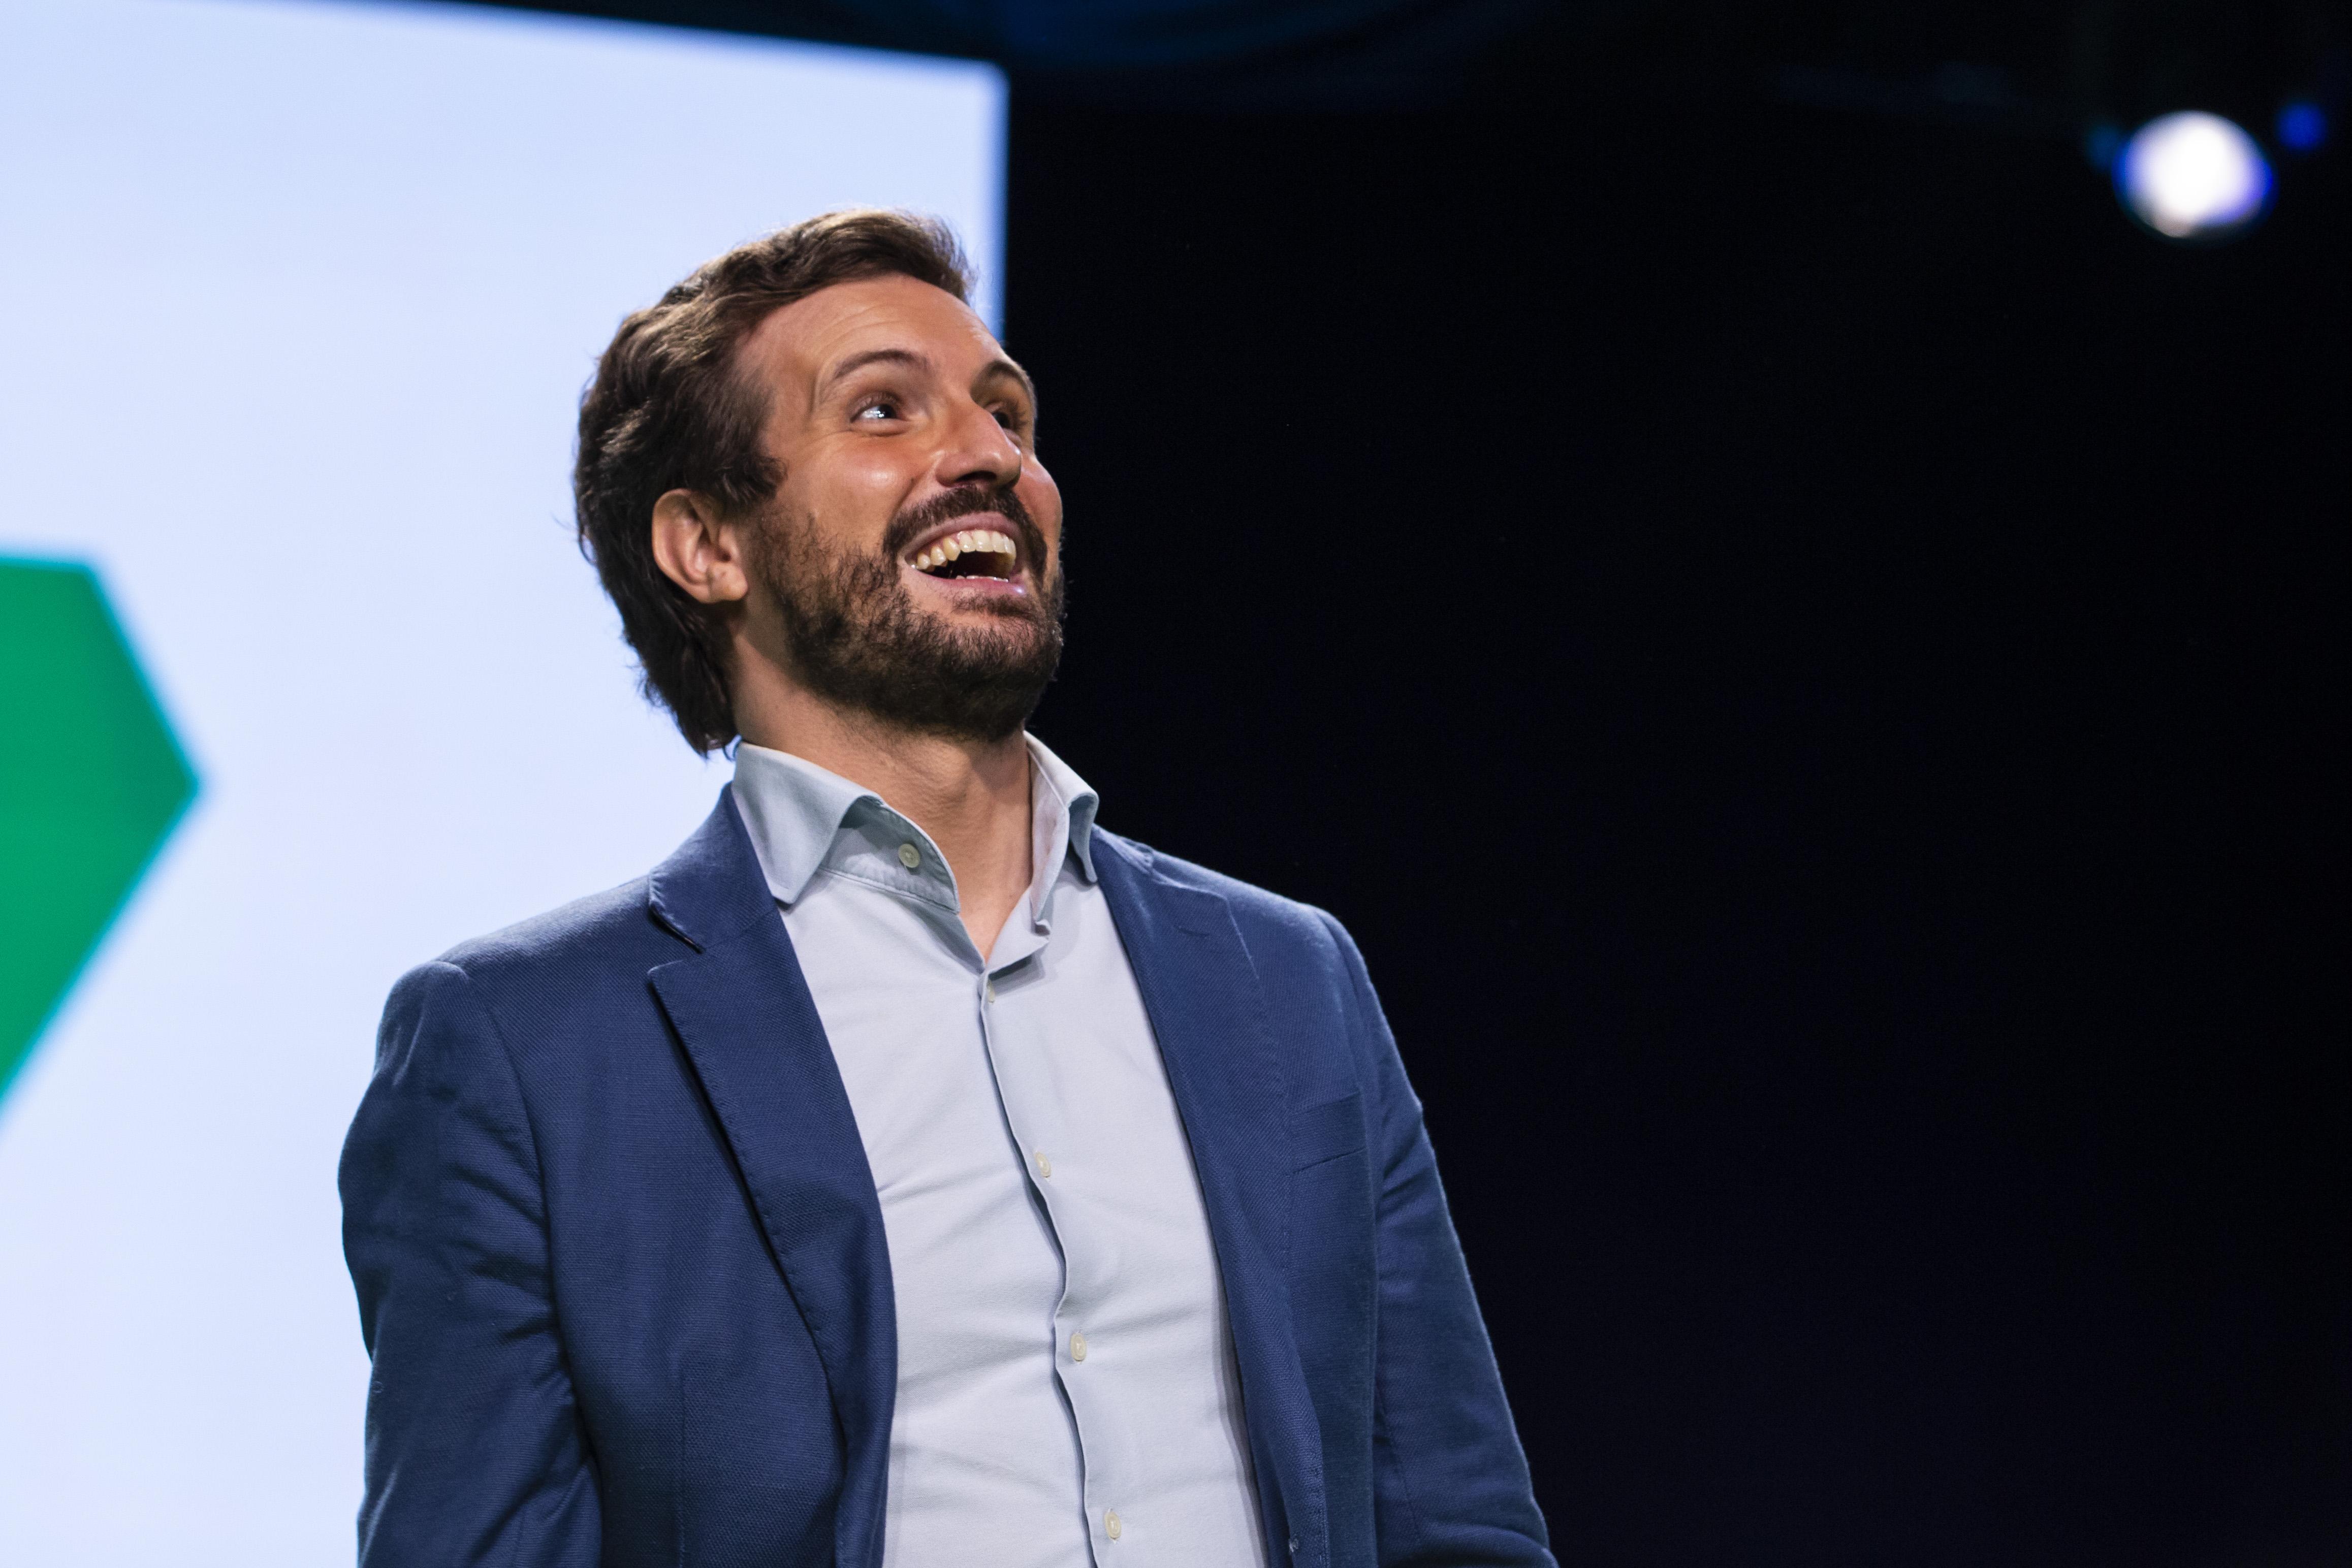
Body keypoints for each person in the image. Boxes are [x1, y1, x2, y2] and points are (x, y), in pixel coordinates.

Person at [339, 209, 1552, 1568]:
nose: (986, 457)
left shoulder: (1286, 976)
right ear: (708, 547)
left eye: (1008, 418)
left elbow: (1455, 1520)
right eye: (881, 412)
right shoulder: (519, 1051)